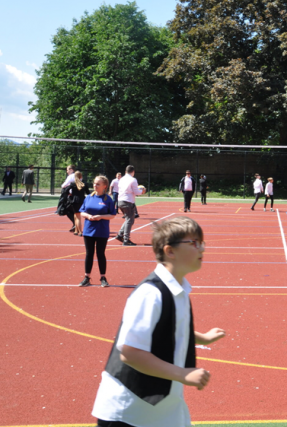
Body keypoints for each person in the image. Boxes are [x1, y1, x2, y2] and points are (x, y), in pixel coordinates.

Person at [91, 216, 226, 426]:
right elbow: (130, 352)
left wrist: (203, 338)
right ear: (169, 251)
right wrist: (182, 373)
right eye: (193, 243)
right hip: (129, 411)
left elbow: (174, 328)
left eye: (202, 243)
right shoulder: (150, 293)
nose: (202, 249)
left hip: (160, 409)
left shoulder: (178, 289)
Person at [78, 175, 117, 287]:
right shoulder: (88, 197)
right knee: (89, 254)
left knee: (100, 254)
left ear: (104, 186)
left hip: (102, 231)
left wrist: (101, 216)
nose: (95, 185)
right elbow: (82, 212)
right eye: (94, 183)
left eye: (98, 184)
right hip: (88, 230)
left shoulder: (108, 199)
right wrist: (89, 216)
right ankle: (87, 277)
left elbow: (112, 215)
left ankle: (103, 277)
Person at [116, 165, 145, 246]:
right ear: (133, 172)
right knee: (130, 220)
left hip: (120, 200)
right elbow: (136, 192)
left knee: (128, 219)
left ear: (125, 171)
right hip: (128, 201)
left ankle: (120, 234)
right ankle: (126, 239)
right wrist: (142, 191)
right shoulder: (133, 179)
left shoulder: (121, 179)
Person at [70, 171, 92, 235]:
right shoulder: (84, 184)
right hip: (82, 200)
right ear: (81, 176)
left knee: (77, 216)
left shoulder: (73, 184)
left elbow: (65, 190)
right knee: (76, 215)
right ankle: (76, 230)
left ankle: (79, 231)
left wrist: (70, 194)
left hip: (74, 201)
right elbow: (88, 193)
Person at [59, 165, 77, 232]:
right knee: (74, 211)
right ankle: (75, 224)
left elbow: (63, 185)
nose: (67, 171)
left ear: (72, 170)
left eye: (67, 170)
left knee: (66, 209)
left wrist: (64, 186)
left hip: (70, 195)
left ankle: (75, 224)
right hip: (77, 196)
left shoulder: (71, 176)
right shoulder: (78, 176)